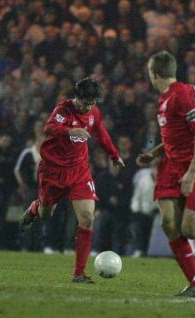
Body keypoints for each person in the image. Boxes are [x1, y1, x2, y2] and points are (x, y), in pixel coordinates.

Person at [20, 77, 124, 283]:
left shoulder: (93, 112)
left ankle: (78, 273)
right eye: (86, 103)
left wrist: (114, 155)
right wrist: (69, 130)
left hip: (79, 171)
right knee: (46, 213)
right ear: (77, 97)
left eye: (93, 103)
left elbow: (101, 133)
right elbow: (48, 128)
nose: (89, 107)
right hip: (53, 171)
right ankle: (35, 208)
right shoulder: (63, 110)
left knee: (87, 217)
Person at [136, 50, 195, 298]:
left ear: (155, 73)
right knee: (169, 223)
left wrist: (192, 173)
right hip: (170, 165)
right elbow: (176, 135)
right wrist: (154, 153)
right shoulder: (165, 98)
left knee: (190, 230)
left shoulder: (181, 95)